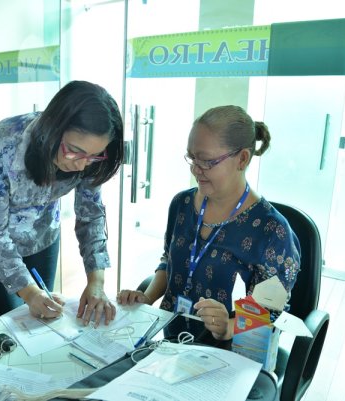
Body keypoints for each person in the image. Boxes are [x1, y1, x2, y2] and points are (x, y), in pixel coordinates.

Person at [117, 105, 301, 348]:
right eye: (192, 158)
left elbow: (271, 309)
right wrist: (147, 297)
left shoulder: (272, 231)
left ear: (242, 159)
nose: (195, 169)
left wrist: (227, 328)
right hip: (172, 342)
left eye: (206, 161)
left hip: (232, 353)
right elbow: (169, 262)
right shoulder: (182, 204)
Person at [0, 81, 124, 325]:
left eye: (93, 156)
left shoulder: (89, 159)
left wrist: (96, 283)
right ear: (53, 128)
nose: (81, 165)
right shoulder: (4, 143)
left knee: (42, 315)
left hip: (41, 234)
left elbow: (90, 217)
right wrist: (29, 292)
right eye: (74, 151)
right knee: (7, 318)